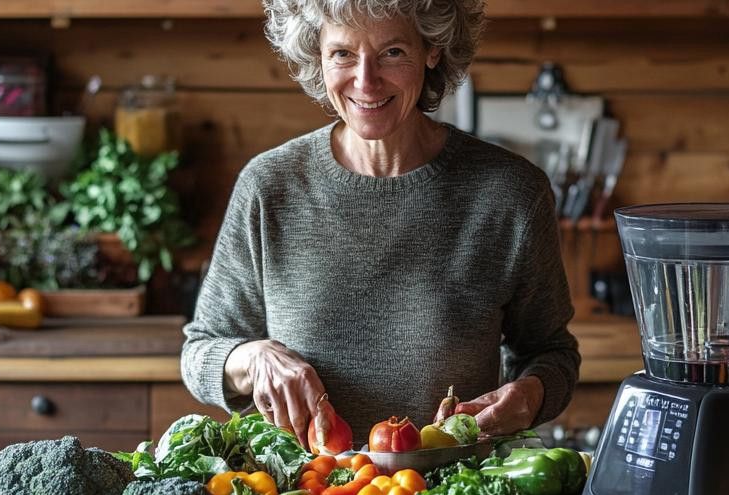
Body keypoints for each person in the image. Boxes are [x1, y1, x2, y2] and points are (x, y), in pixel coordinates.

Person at [182, 0, 579, 449]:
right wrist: (252, 359)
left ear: (432, 49)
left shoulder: (509, 194)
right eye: (342, 54)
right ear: (318, 54)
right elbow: (200, 351)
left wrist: (530, 396)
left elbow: (552, 353)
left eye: (392, 52)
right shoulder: (269, 187)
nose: (365, 81)